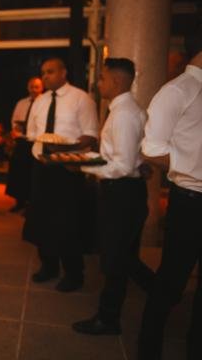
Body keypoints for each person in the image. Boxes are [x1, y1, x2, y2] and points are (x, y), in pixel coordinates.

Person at [72, 58, 154, 335]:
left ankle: (109, 318)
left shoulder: (124, 114)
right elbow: (129, 157)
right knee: (123, 256)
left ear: (116, 81)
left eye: (103, 78)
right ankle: (157, 294)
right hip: (127, 190)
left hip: (121, 193)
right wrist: (89, 159)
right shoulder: (127, 110)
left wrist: (83, 166)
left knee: (115, 258)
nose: (99, 83)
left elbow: (122, 166)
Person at [137, 34, 202, 360]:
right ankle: (148, 351)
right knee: (170, 282)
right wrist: (193, 168)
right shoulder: (177, 91)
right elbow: (151, 149)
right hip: (190, 201)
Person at [23, 57, 99, 292]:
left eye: (51, 71)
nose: (46, 76)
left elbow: (90, 135)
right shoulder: (40, 101)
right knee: (42, 219)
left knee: (68, 222)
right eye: (43, 72)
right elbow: (32, 133)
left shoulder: (81, 98)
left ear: (64, 72)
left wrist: (66, 147)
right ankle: (49, 266)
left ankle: (74, 273)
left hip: (67, 169)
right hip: (41, 166)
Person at [6, 76, 44, 213]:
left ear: (42, 88)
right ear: (28, 88)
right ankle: (19, 201)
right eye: (32, 87)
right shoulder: (21, 103)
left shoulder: (44, 103)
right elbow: (14, 120)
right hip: (21, 141)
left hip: (36, 142)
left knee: (31, 173)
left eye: (37, 87)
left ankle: (31, 205)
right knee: (18, 172)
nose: (34, 89)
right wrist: (16, 129)